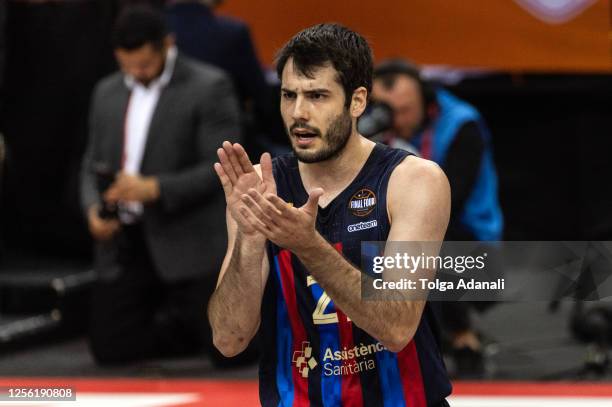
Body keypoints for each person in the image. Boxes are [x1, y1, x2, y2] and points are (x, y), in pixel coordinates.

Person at [208, 24, 452, 406]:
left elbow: (397, 327)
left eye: (317, 96)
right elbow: (228, 339)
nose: (299, 113)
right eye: (289, 96)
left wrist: (308, 245)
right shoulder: (259, 184)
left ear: (357, 102)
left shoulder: (414, 181)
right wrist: (251, 238)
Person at [80, 5, 240, 364]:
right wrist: (92, 208)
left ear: (167, 45)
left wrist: (156, 189)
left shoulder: (209, 86)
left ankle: (190, 322)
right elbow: (90, 163)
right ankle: (179, 328)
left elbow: (221, 166)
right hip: (129, 238)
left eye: (145, 65)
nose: (136, 73)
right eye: (128, 65)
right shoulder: (106, 92)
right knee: (110, 349)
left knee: (230, 349)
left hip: (188, 234)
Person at [371, 59, 503, 377]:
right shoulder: (376, 131)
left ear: (428, 101)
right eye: (388, 111)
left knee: (421, 243)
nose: (397, 120)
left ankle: (463, 338)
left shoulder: (461, 124)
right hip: (403, 228)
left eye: (405, 110)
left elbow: (446, 204)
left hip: (470, 243)